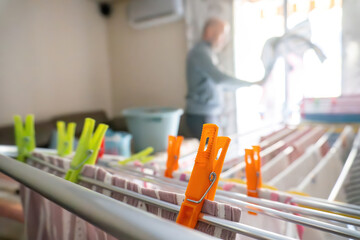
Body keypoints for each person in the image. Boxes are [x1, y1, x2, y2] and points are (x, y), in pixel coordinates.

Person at [185, 18, 265, 139]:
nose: (224, 39)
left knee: (213, 154)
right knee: (209, 156)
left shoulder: (208, 52)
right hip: (202, 115)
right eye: (222, 34)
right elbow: (220, 79)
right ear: (210, 32)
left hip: (207, 114)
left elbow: (222, 84)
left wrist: (252, 84)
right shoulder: (200, 52)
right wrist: (250, 83)